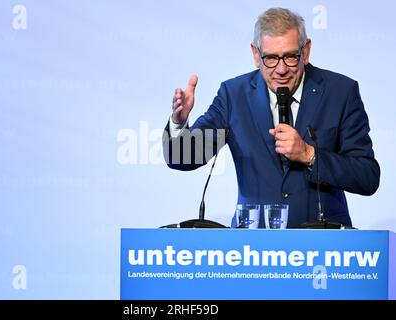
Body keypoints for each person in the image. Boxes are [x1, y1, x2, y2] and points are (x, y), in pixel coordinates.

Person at [162, 7, 380, 228]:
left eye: (291, 57)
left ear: (306, 51)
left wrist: (309, 155)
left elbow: (367, 176)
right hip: (253, 248)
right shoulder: (234, 95)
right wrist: (179, 123)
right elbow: (183, 158)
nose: (282, 69)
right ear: (256, 55)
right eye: (271, 58)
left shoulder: (340, 92)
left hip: (324, 245)